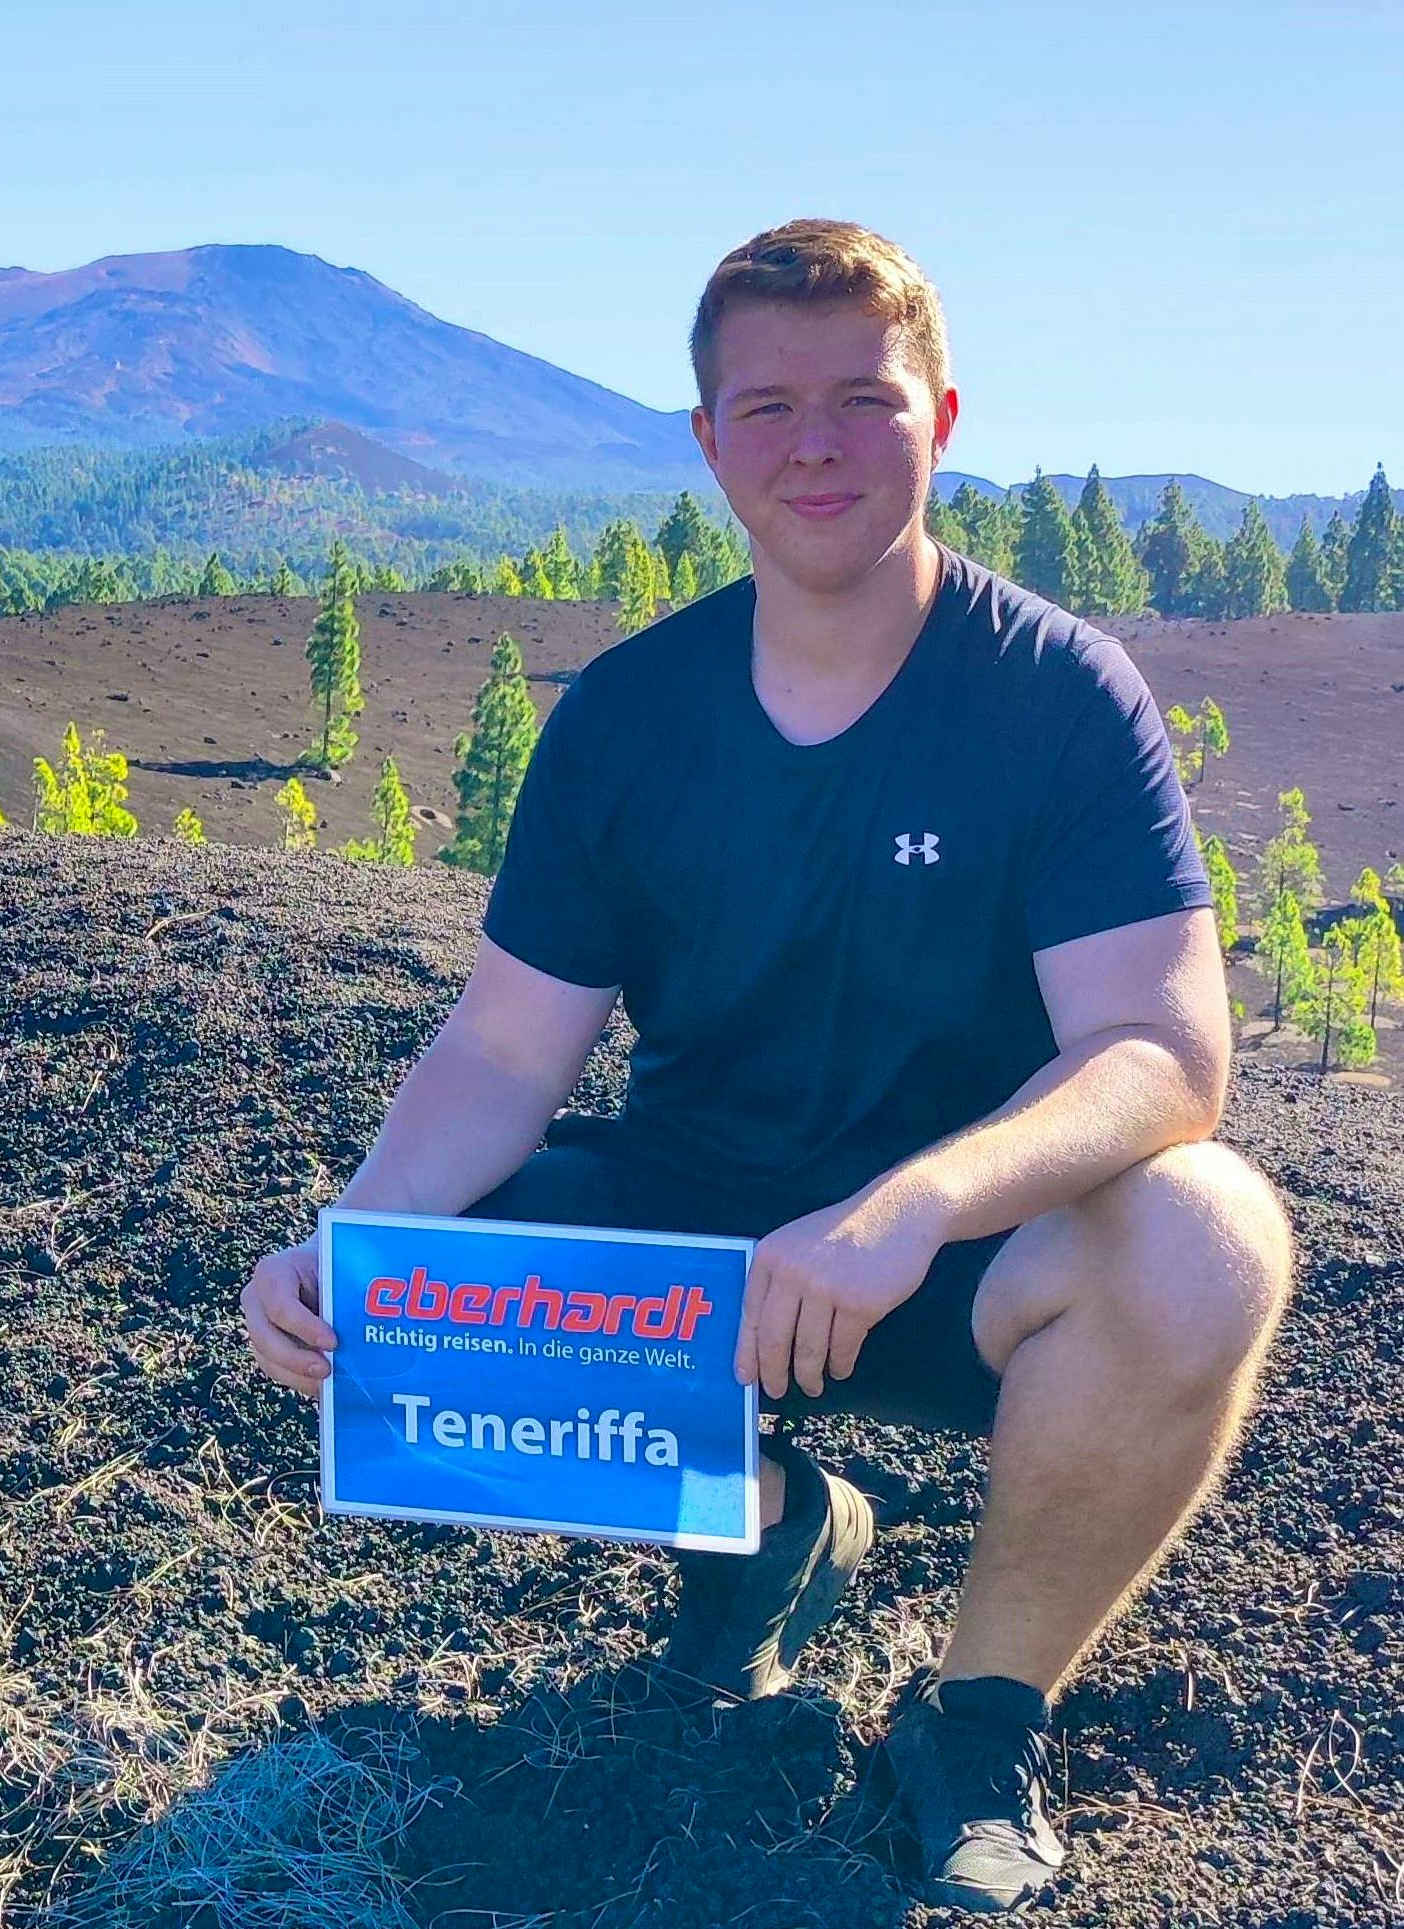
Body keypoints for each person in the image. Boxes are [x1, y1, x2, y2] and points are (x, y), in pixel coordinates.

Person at [236, 219, 1294, 1916]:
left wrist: (907, 1206)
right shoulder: (628, 719)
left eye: (865, 400)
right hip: (703, 1264)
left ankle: (975, 1722)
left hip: (954, 1260)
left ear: (943, 420)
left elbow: (1161, 1054)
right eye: (769, 404)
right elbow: (505, 1046)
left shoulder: (1059, 698)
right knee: (442, 1259)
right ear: (708, 441)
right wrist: (348, 1244)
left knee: (1210, 1233)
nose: (817, 443)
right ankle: (764, 1518)